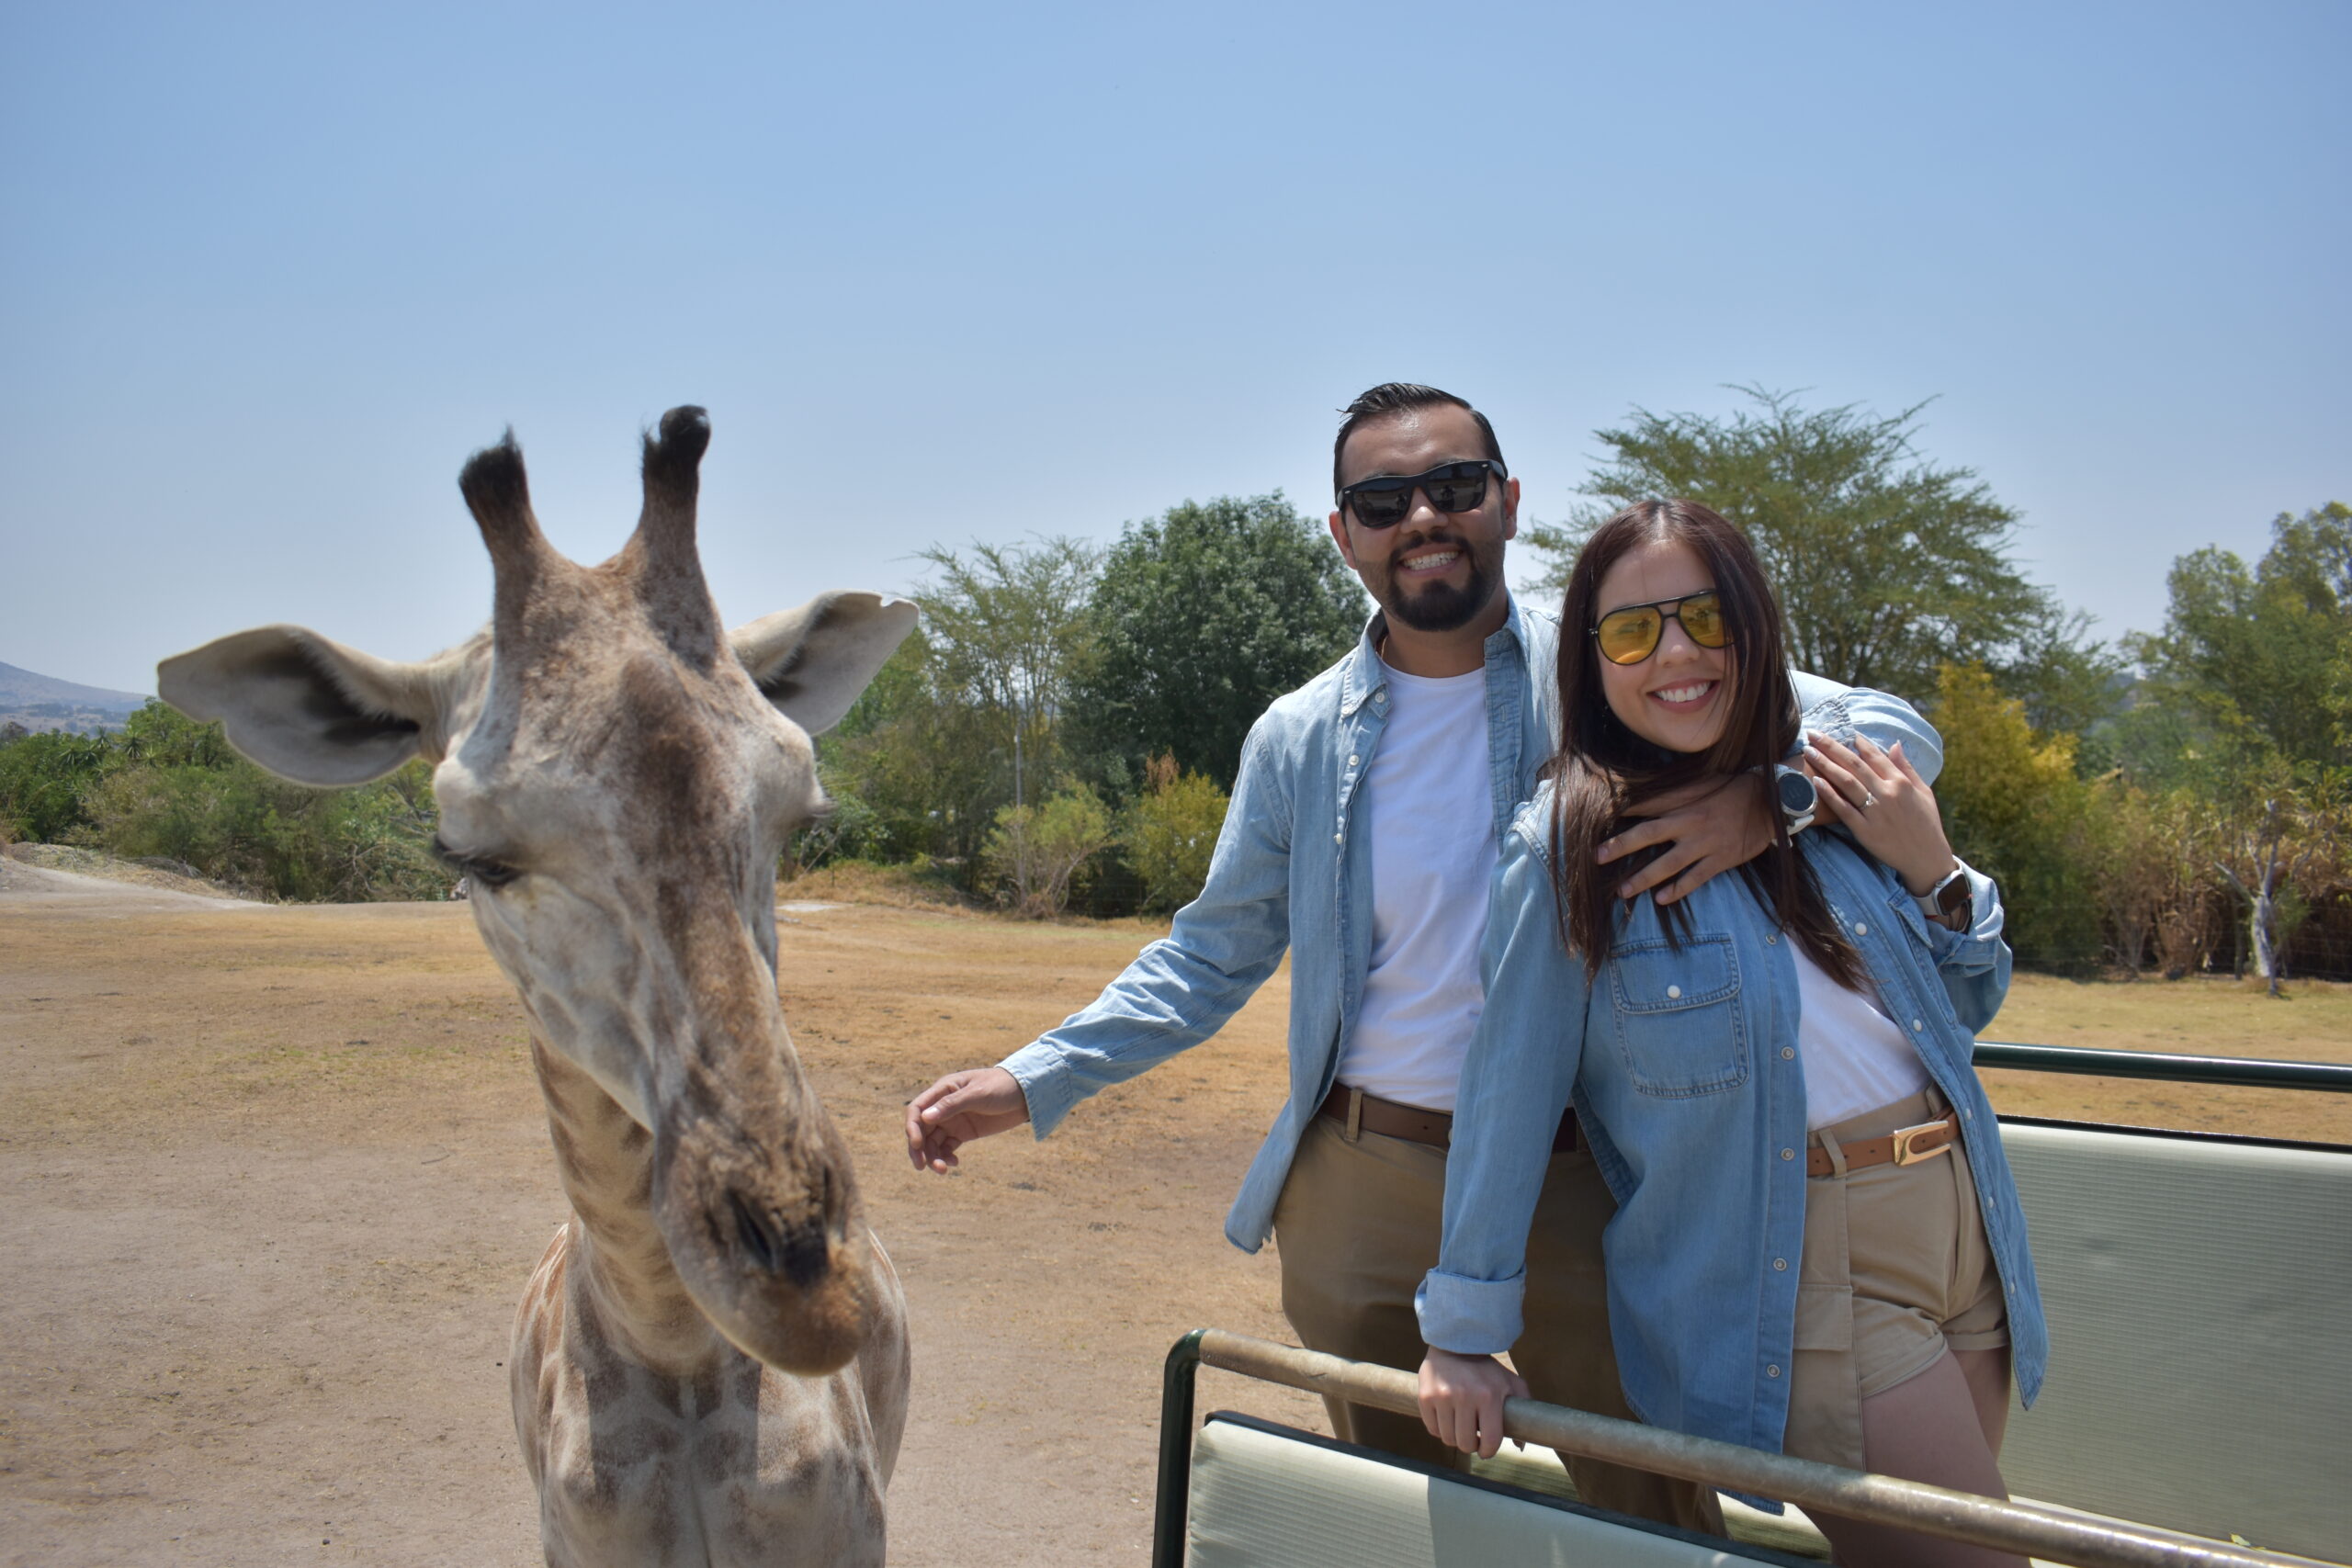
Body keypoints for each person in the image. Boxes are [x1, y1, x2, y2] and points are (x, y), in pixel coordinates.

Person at [904, 384, 1943, 1530]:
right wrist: (1034, 1077)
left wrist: (1771, 795)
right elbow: (1209, 956)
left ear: (1508, 503)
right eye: (1382, 500)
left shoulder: (1605, 673)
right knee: (1402, 1521)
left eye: (1453, 486)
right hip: (1364, 1182)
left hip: (1588, 1178)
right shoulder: (1298, 736)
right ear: (1341, 532)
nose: (1422, 518)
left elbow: (1892, 728)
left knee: (1647, 1515)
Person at [1415, 499, 2046, 1567]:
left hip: (1965, 1226)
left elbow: (1963, 1009)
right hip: (1799, 1259)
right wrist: (1462, 1333)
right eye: (1631, 631)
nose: (1675, 654)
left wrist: (1928, 866)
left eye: (1704, 616)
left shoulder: (1828, 798)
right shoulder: (1571, 848)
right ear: (1590, 660)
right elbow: (1507, 1091)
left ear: (1754, 625)